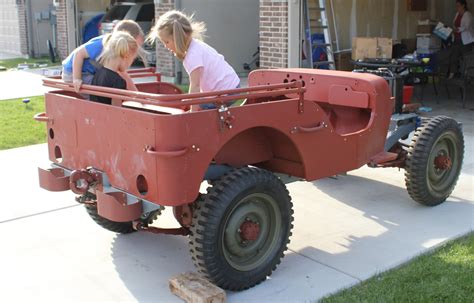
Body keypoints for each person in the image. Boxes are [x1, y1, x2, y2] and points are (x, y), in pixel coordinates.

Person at [147, 10, 240, 111]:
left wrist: (193, 111)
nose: (166, 46)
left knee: (199, 108)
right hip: (231, 87)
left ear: (178, 38)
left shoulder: (192, 56)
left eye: (167, 42)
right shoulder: (196, 46)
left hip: (226, 92)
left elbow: (195, 86)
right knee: (192, 102)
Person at [61, 20, 144, 92]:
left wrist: (138, 96)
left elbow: (123, 74)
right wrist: (77, 78)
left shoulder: (116, 51)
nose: (134, 52)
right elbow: (78, 54)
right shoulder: (101, 44)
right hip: (73, 72)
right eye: (134, 47)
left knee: (107, 82)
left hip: (89, 73)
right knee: (100, 90)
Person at [89, 31, 139, 105]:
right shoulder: (118, 81)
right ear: (126, 56)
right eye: (132, 60)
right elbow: (116, 109)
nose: (130, 65)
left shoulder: (97, 72)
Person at [449, 0, 474, 77]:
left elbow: (467, 26)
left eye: (458, 5)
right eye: (456, 6)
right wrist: (452, 29)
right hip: (456, 39)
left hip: (466, 40)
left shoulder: (468, 14)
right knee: (454, 56)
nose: (457, 7)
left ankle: (468, 75)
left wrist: (457, 29)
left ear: (463, 6)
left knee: (466, 58)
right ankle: (452, 74)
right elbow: (454, 24)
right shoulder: (457, 14)